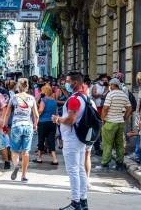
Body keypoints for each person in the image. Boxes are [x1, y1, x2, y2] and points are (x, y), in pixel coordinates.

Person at [51, 72, 91, 210]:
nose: (65, 84)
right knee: (79, 170)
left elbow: (70, 120)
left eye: (67, 81)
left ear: (74, 83)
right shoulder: (86, 98)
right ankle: (83, 201)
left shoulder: (74, 99)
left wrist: (58, 119)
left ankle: (75, 203)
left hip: (72, 138)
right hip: (80, 138)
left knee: (74, 171)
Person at [2, 78, 39, 183]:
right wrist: (35, 125)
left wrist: (4, 125)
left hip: (16, 126)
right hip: (28, 126)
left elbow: (8, 113)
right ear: (27, 87)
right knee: (26, 152)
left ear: (18, 87)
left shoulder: (14, 97)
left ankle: (16, 165)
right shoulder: (31, 98)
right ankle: (24, 176)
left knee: (14, 150)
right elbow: (36, 114)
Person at [95, 78, 132, 172]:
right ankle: (119, 164)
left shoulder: (110, 94)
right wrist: (124, 118)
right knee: (119, 144)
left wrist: (102, 119)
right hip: (120, 123)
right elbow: (129, 108)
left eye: (110, 85)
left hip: (110, 122)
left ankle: (105, 163)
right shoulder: (123, 94)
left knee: (107, 144)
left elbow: (105, 108)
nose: (109, 87)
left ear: (112, 85)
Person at [33, 85, 58, 165]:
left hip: (43, 122)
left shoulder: (44, 100)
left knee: (41, 139)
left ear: (44, 91)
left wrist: (36, 114)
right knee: (51, 140)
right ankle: (55, 159)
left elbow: (40, 110)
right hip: (52, 122)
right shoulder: (54, 101)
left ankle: (39, 158)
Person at [91, 74, 109, 156]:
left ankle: (102, 145)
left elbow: (107, 94)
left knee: (104, 127)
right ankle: (97, 147)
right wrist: (101, 95)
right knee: (98, 126)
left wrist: (106, 87)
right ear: (100, 80)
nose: (105, 81)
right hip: (97, 108)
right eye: (103, 80)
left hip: (104, 107)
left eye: (106, 80)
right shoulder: (95, 86)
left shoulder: (107, 86)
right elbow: (94, 94)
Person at [54, 77, 71, 149]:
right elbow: (55, 101)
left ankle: (66, 141)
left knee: (67, 127)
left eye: (64, 83)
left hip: (68, 111)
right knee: (61, 127)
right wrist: (64, 102)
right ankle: (61, 143)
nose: (63, 85)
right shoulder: (59, 91)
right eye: (62, 84)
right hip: (60, 111)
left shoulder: (69, 91)